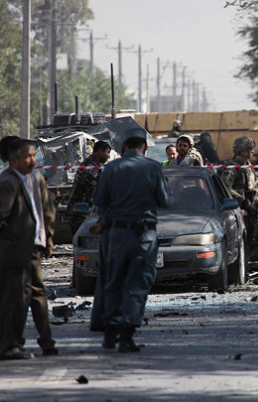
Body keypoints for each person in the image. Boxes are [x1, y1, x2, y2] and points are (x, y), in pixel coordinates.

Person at [90, 128, 171, 353]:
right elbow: (165, 201)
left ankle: (110, 332)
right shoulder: (153, 168)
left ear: (124, 147)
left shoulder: (111, 168)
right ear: (144, 147)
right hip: (143, 235)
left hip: (116, 234)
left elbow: (99, 200)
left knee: (114, 280)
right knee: (137, 283)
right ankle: (126, 336)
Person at [0, 139, 57, 359]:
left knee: (25, 296)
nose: (33, 160)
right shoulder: (8, 181)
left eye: (34, 155)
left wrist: (47, 239)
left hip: (30, 247)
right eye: (28, 156)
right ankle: (9, 345)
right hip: (14, 251)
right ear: (13, 159)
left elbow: (46, 212)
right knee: (12, 298)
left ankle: (22, 343)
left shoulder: (31, 177)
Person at [67, 140, 111, 234]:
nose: (109, 156)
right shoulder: (91, 166)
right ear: (100, 152)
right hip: (80, 211)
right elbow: (93, 191)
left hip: (81, 209)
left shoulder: (92, 164)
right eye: (107, 152)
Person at [219, 136, 258, 219]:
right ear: (242, 150)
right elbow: (225, 188)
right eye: (250, 149)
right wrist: (243, 201)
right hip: (236, 213)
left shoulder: (247, 166)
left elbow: (253, 185)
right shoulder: (232, 168)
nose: (253, 151)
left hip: (250, 210)